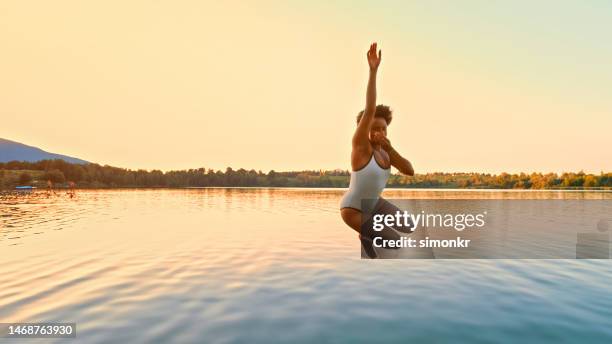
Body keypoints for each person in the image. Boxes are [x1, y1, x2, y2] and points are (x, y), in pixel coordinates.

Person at [339, 42, 415, 257]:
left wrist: (391, 150)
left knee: (409, 225)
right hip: (353, 209)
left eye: (383, 128)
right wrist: (373, 71)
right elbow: (370, 108)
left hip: (375, 204)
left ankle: (370, 228)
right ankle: (364, 235)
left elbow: (409, 170)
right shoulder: (361, 147)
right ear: (364, 130)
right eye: (373, 129)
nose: (379, 132)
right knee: (395, 243)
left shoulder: (385, 152)